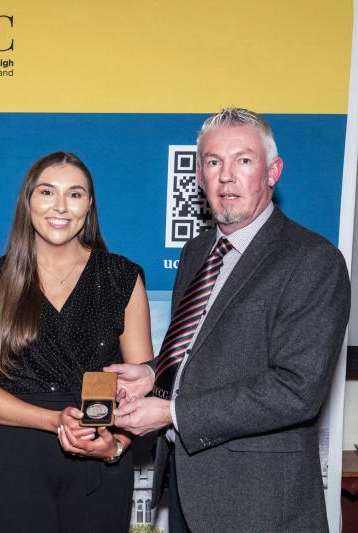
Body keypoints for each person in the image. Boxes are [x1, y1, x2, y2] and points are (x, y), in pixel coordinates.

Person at [108, 108, 350, 532]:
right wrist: (153, 374)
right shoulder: (197, 251)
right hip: (187, 486)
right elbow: (201, 351)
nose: (226, 176)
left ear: (272, 172)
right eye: (213, 162)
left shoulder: (312, 260)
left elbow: (297, 389)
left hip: (260, 501)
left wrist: (170, 413)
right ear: (199, 176)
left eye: (244, 160)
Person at [0, 151, 153, 532]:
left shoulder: (122, 277)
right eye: (48, 192)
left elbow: (142, 389)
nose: (61, 207)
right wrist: (53, 421)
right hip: (14, 456)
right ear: (28, 201)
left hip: (96, 458)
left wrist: (115, 445)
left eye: (75, 194)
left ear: (90, 204)